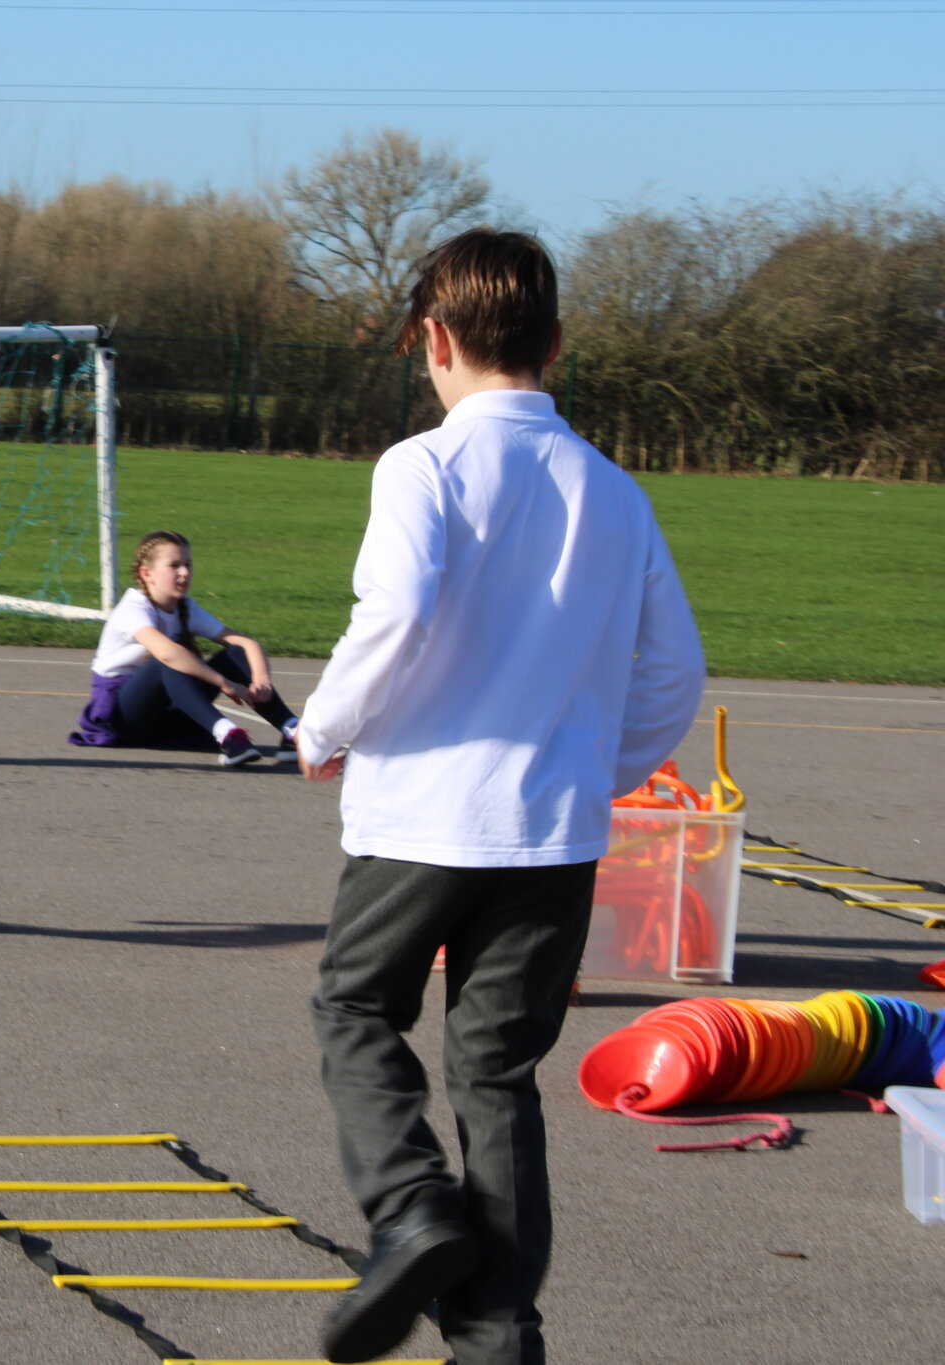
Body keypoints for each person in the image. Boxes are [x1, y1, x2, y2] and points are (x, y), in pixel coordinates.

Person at [296, 228, 704, 1365]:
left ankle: (410, 1202)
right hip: (550, 832)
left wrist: (322, 724)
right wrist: (592, 770)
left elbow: (396, 612)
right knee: (498, 1075)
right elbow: (672, 669)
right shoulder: (614, 492)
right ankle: (496, 1339)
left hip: (423, 815)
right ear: (556, 344)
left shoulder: (419, 465)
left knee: (353, 1009)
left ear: (431, 340)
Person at [68, 530, 299, 766]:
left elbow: (247, 644)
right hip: (124, 717)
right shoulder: (133, 607)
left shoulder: (185, 607)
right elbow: (167, 653)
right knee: (168, 661)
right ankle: (227, 734)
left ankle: (292, 729)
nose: (185, 572)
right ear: (146, 574)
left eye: (188, 564)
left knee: (235, 654)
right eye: (174, 565)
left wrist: (262, 681)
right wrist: (224, 683)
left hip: (166, 714)